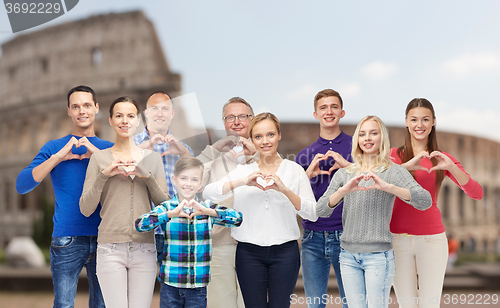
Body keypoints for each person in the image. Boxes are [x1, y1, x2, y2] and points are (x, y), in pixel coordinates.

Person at [203, 112, 318, 307]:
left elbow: (312, 214)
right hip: (248, 254)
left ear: (279, 135)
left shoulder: (294, 170)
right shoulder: (243, 171)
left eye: (270, 135)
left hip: (286, 254)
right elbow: (208, 193)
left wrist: (284, 190)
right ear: (251, 140)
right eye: (258, 136)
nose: (265, 141)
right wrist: (241, 182)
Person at [316, 115, 432, 308]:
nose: (367, 138)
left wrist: (389, 188)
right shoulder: (344, 174)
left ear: (382, 138)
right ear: (357, 140)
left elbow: (424, 200)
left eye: (373, 133)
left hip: (378, 257)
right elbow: (321, 210)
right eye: (362, 134)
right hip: (347, 256)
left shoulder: (393, 171)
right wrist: (343, 190)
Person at [15, 85, 112, 308]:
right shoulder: (54, 147)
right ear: (68, 111)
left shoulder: (109, 149)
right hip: (66, 240)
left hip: (106, 239)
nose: (82, 111)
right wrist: (58, 157)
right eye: (75, 106)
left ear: (96, 108)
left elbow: (129, 183)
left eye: (87, 105)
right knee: (64, 305)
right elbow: (22, 184)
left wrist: (97, 156)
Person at [389, 98, 483, 308]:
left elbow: (477, 193)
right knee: (407, 305)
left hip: (432, 239)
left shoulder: (442, 159)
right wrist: (405, 166)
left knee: (430, 305)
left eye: (425, 119)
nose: (419, 125)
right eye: (414, 119)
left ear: (433, 122)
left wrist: (452, 167)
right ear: (406, 122)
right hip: (396, 241)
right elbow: (376, 182)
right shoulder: (392, 156)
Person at [80, 96, 169, 308]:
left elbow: (165, 205)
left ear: (138, 120)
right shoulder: (99, 158)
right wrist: (104, 175)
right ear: (110, 120)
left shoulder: (152, 159)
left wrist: (146, 177)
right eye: (118, 115)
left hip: (145, 249)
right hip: (109, 250)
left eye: (130, 116)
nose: (124, 121)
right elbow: (85, 208)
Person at [135, 157, 243, 308]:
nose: (188, 183)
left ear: (200, 184)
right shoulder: (167, 208)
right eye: (183, 178)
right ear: (174, 179)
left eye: (194, 179)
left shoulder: (206, 207)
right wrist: (170, 215)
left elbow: (237, 219)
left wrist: (208, 212)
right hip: (170, 284)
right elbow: (140, 224)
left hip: (198, 286)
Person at [196, 96, 257, 308]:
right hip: (220, 244)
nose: (236, 121)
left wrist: (256, 155)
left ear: (253, 119)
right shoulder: (213, 158)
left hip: (254, 245)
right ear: (224, 122)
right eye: (230, 117)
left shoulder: (264, 155)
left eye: (242, 116)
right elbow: (191, 181)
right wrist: (213, 149)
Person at [295, 89, 352, 308]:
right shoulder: (303, 155)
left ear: (342, 112)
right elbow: (292, 198)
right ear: (315, 114)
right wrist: (307, 174)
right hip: (312, 237)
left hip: (348, 234)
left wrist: (350, 167)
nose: (329, 111)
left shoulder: (357, 148)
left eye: (334, 106)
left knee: (352, 302)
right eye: (323, 107)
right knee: (315, 304)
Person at [134, 91, 194, 266]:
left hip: (175, 231)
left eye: (165, 109)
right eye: (154, 108)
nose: (159, 114)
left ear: (172, 114)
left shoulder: (184, 149)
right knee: (138, 290)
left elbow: (196, 186)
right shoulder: (131, 144)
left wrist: (183, 153)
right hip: (142, 230)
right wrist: (142, 150)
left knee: (174, 290)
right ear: (146, 113)